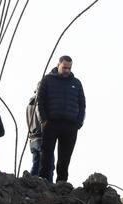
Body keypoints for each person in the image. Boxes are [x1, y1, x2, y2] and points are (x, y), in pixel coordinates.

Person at [37, 55, 85, 183]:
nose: (67, 70)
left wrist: (79, 122)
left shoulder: (76, 83)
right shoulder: (47, 80)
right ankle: (43, 182)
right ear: (58, 65)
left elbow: (82, 104)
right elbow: (40, 101)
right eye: (64, 67)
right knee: (46, 155)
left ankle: (61, 185)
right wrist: (43, 120)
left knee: (65, 158)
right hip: (51, 123)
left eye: (69, 68)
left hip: (70, 126)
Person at [25, 89, 49, 176]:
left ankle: (30, 181)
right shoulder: (39, 103)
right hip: (40, 136)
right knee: (47, 165)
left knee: (36, 164)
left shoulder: (29, 105)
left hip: (32, 138)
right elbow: (41, 119)